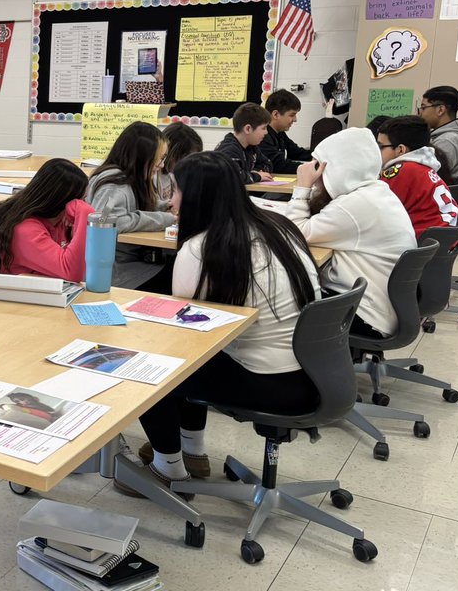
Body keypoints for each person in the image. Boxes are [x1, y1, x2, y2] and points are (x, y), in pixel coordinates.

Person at [113, 151, 321, 494]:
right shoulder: (277, 225)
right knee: (194, 356)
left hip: (269, 381)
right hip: (310, 371)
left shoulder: (202, 248)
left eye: (176, 191)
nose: (169, 199)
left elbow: (180, 335)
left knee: (145, 363)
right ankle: (191, 452)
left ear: (196, 196)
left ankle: (168, 470)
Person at [285, 127, 416, 337]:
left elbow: (295, 232)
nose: (317, 175)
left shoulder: (353, 206)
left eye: (320, 167)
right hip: (380, 305)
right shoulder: (375, 192)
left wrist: (302, 186)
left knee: (280, 301)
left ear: (338, 168)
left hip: (366, 314)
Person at [85, 122, 176, 290]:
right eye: (160, 158)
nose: (162, 165)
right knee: (176, 272)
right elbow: (110, 221)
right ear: (142, 156)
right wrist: (164, 219)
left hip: (130, 262)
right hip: (116, 271)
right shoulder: (113, 184)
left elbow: (136, 206)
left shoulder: (131, 178)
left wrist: (166, 206)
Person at [0, 158, 93, 281]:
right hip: (15, 297)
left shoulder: (56, 220)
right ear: (61, 200)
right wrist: (84, 214)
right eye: (79, 200)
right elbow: (72, 273)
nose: (82, 204)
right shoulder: (24, 229)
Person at [377, 116, 458, 240]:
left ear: (400, 150)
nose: (377, 152)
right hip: (441, 243)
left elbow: (377, 210)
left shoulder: (401, 171)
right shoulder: (424, 167)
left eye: (381, 147)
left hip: (420, 244)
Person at [418, 86, 458, 179]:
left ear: (440, 110)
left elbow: (426, 178)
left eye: (423, 107)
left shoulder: (446, 141)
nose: (420, 113)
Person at [215, 102, 274, 183]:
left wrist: (254, 172)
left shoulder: (252, 146)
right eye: (263, 128)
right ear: (248, 129)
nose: (266, 132)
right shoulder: (229, 149)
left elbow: (268, 163)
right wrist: (258, 176)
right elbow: (234, 177)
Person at [258, 90, 312, 174]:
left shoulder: (280, 133)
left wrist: (320, 156)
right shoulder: (262, 136)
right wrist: (309, 168)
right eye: (292, 115)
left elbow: (298, 153)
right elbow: (277, 165)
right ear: (276, 114)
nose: (295, 120)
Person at [155, 122, 202, 203]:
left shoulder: (173, 175)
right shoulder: (153, 177)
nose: (190, 166)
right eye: (186, 159)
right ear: (170, 153)